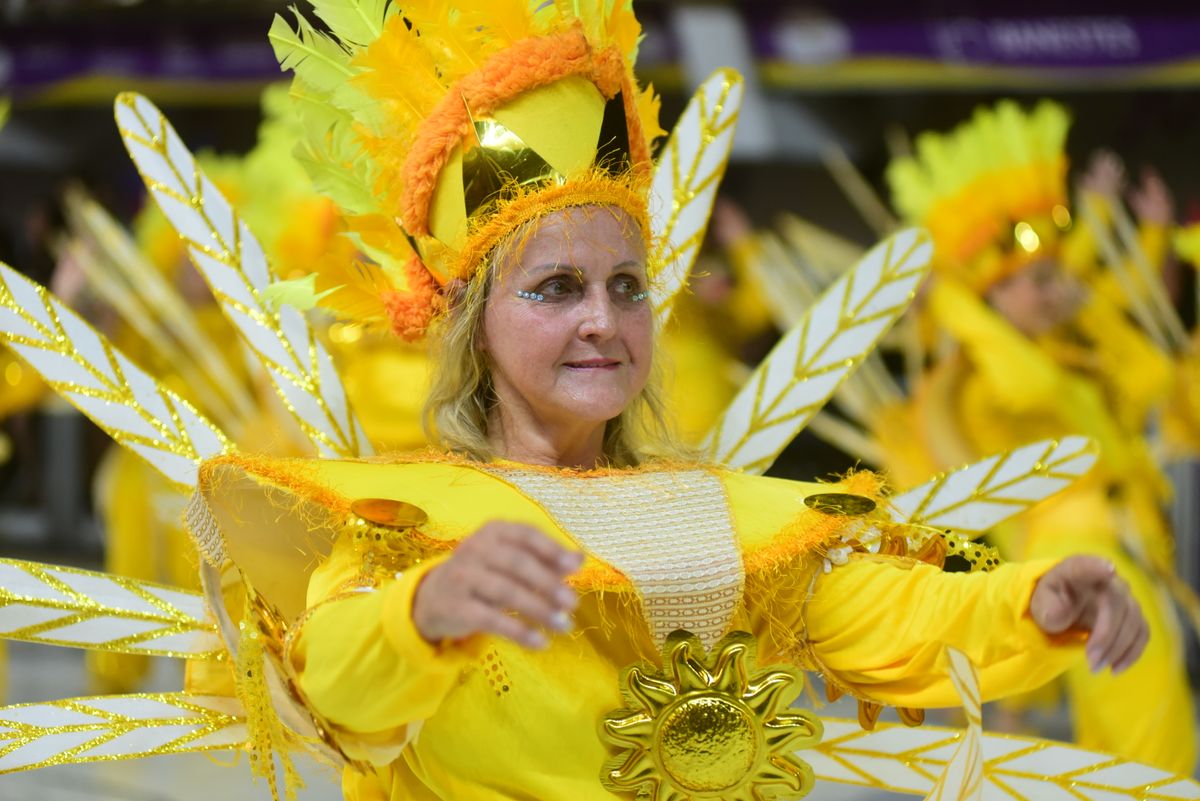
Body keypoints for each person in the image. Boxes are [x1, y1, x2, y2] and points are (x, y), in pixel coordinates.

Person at [883, 99, 1194, 772]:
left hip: (1114, 541)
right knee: (1149, 720)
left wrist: (1111, 229)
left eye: (1057, 276)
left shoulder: (1056, 350)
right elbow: (1032, 388)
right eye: (1041, 281)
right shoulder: (987, 378)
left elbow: (1148, 376)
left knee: (1123, 725)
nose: (1060, 290)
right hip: (1070, 549)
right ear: (991, 299)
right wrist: (951, 299)